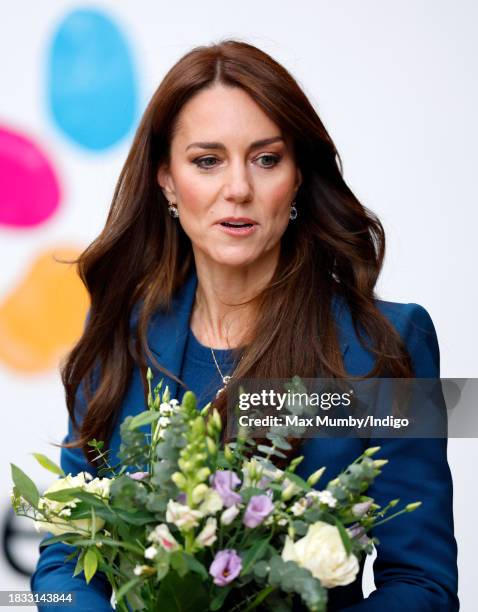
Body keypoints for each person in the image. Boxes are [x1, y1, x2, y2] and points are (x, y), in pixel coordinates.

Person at [30, 39, 459, 611]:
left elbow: (422, 585)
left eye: (266, 159)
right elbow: (64, 559)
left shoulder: (387, 343)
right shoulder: (118, 336)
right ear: (166, 180)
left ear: (299, 175)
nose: (238, 188)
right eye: (207, 161)